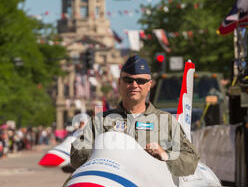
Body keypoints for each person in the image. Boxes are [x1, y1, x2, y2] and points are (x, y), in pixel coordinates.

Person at [70, 55, 199, 177]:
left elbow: (191, 160)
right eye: (128, 80)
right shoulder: (100, 121)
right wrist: (99, 148)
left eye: (141, 81)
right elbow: (75, 158)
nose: (134, 85)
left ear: (149, 85)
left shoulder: (166, 121)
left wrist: (165, 155)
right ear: (119, 83)